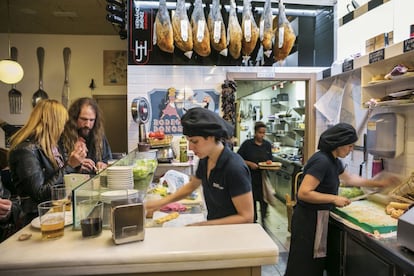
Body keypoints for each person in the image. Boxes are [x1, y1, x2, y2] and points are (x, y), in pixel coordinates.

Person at [285, 123, 400, 276]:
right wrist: (334, 198)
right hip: (309, 220)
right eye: (349, 146)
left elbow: (350, 178)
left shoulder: (333, 160)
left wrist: (379, 183)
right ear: (338, 143)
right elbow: (304, 193)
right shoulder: (322, 161)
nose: (351, 149)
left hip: (318, 218)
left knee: (315, 265)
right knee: (304, 266)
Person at [145, 107, 254, 225]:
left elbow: (247, 217)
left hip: (235, 235)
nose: (190, 147)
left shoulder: (234, 168)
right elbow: (192, 185)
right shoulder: (206, 159)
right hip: (215, 229)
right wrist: (160, 203)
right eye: (188, 141)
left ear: (212, 137)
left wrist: (202, 225)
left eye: (195, 141)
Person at [8, 99, 70, 226]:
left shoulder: (53, 147)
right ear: (53, 122)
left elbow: (59, 177)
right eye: (62, 123)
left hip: (53, 213)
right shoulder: (25, 150)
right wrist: (70, 166)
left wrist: (77, 165)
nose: (63, 128)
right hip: (34, 219)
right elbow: (39, 193)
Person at [62, 97, 112, 174]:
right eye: (83, 119)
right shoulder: (63, 136)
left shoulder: (99, 135)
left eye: (91, 120)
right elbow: (58, 170)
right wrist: (77, 166)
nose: (87, 125)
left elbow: (108, 159)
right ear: (74, 118)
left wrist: (103, 164)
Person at [237, 121, 273, 226]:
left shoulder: (267, 145)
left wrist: (269, 163)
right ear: (255, 132)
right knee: (251, 200)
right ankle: (253, 221)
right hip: (249, 178)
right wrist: (249, 163)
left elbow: (270, 159)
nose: (262, 135)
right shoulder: (247, 144)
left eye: (263, 133)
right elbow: (238, 158)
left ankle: (264, 221)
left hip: (262, 178)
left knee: (264, 200)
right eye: (260, 132)